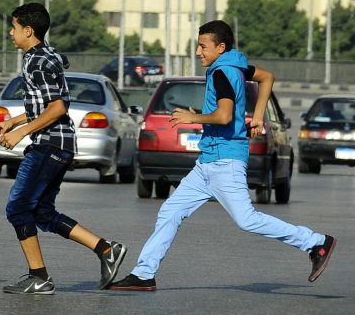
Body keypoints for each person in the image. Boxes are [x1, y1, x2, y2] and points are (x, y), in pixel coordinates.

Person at [110, 20, 336, 291]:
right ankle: (144, 274)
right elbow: (267, 77)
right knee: (170, 212)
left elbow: (224, 115)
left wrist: (193, 117)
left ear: (220, 47)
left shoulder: (221, 73)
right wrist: (259, 117)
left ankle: (315, 242)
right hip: (207, 163)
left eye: (203, 46)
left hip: (225, 161)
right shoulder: (237, 66)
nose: (197, 52)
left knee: (247, 219)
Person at [0, 3, 126, 295]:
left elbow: (57, 107)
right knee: (41, 212)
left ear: (28, 31)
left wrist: (21, 134)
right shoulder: (42, 56)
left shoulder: (37, 63)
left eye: (14, 27)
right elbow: (42, 105)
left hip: (49, 145)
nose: (10, 32)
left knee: (17, 209)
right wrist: (13, 121)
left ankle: (38, 277)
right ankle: (106, 250)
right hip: (58, 144)